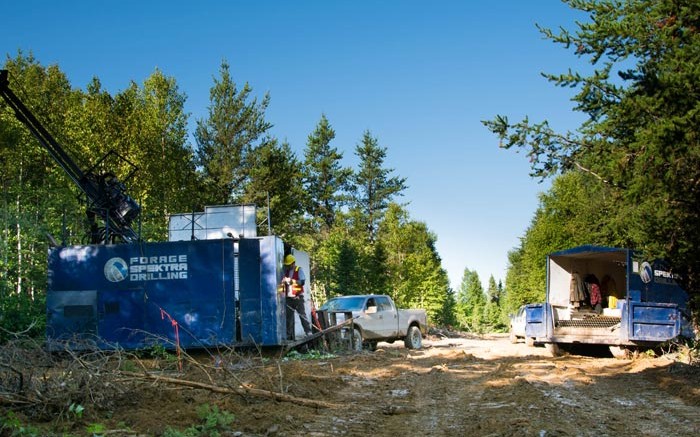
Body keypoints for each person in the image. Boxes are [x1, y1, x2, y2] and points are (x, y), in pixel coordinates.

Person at [279, 254, 312, 340]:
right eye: (287, 265)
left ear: (293, 263)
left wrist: (291, 281)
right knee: (288, 318)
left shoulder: (298, 270)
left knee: (302, 315)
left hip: (298, 298)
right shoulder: (286, 272)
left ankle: (308, 332)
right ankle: (287, 336)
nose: (288, 266)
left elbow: (302, 282)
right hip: (289, 298)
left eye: (289, 264)